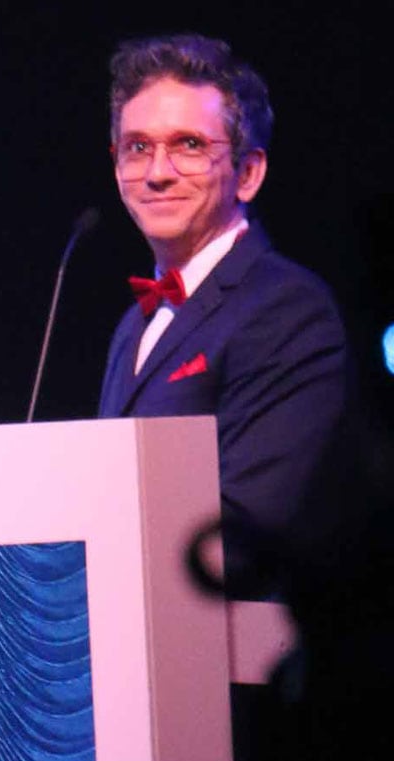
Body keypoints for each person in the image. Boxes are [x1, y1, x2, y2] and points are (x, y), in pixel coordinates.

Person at [98, 34, 349, 584]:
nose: (157, 172)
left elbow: (252, 525)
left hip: (220, 653)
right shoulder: (133, 324)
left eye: (188, 144)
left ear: (249, 172)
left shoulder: (288, 308)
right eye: (138, 146)